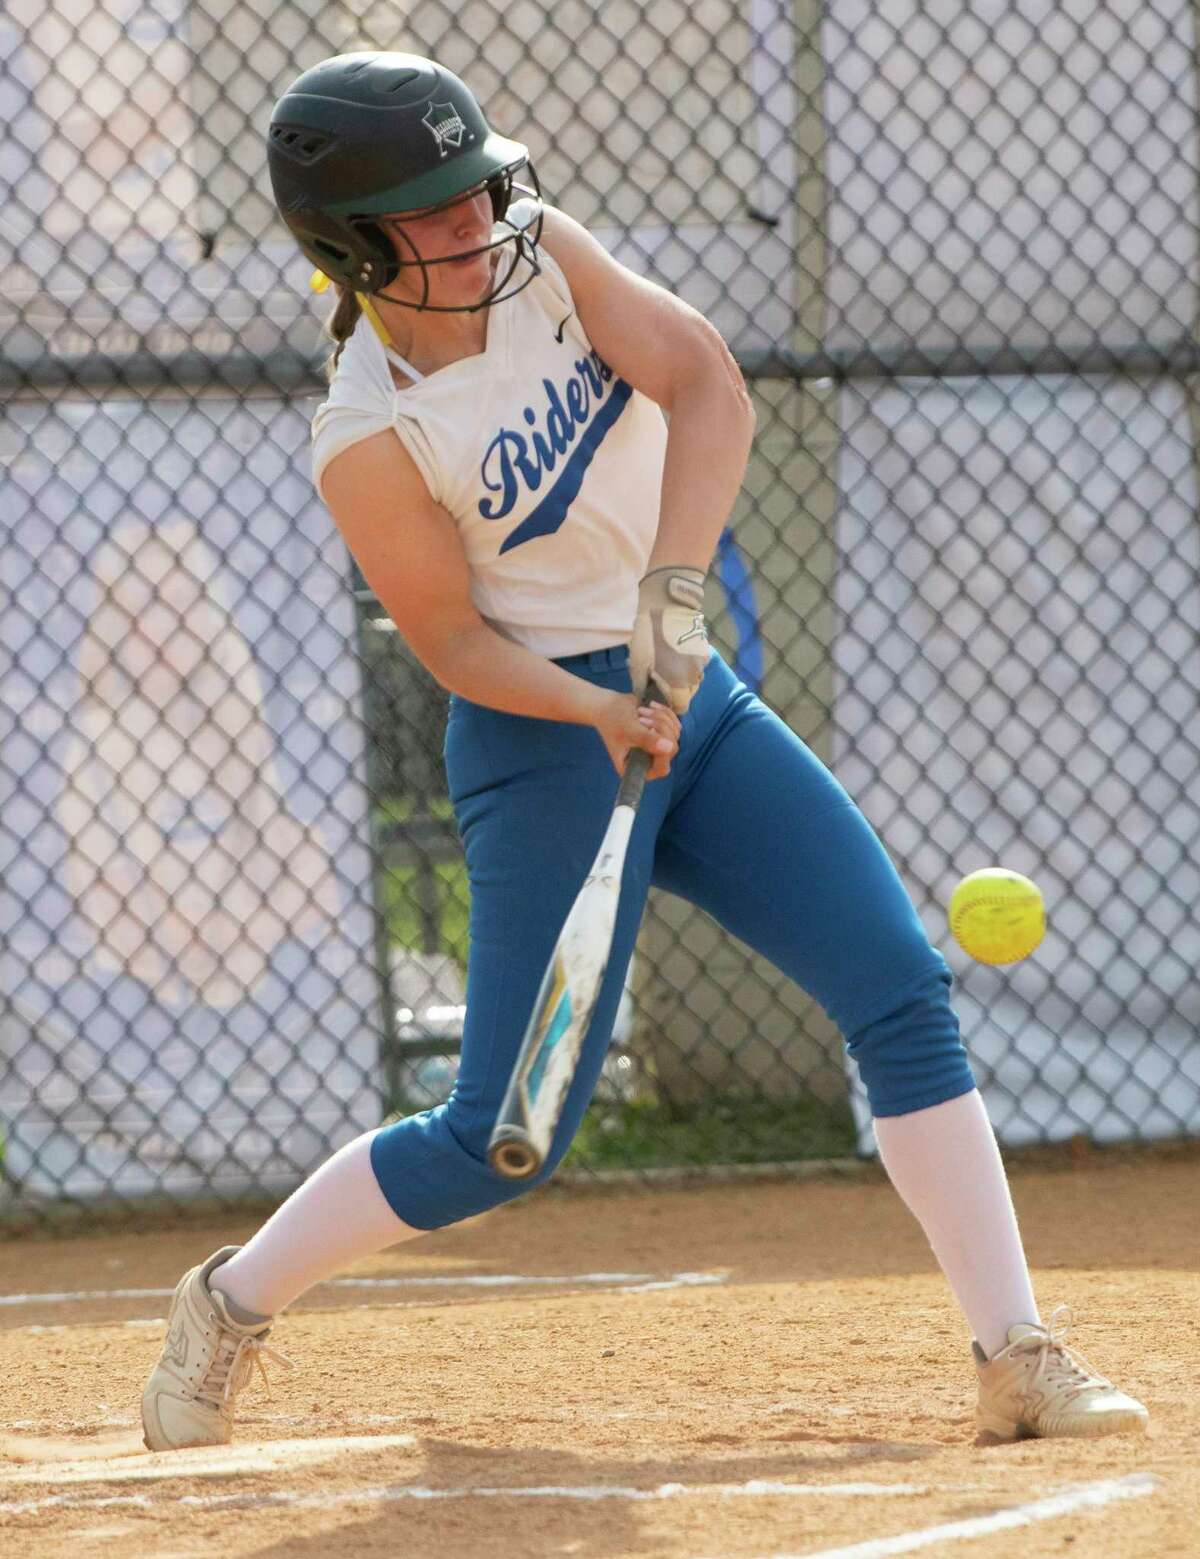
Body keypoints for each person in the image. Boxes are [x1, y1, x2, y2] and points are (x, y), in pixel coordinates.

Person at [141, 51, 1147, 1452]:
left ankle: (1016, 1352)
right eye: (430, 211)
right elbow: (448, 643)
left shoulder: (548, 256)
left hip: (697, 707)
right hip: (541, 743)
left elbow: (706, 384)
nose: (475, 220)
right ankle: (229, 1304)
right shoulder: (367, 432)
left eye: (476, 185)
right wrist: (603, 713)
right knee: (498, 1141)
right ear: (350, 246)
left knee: (898, 988)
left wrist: (674, 596)